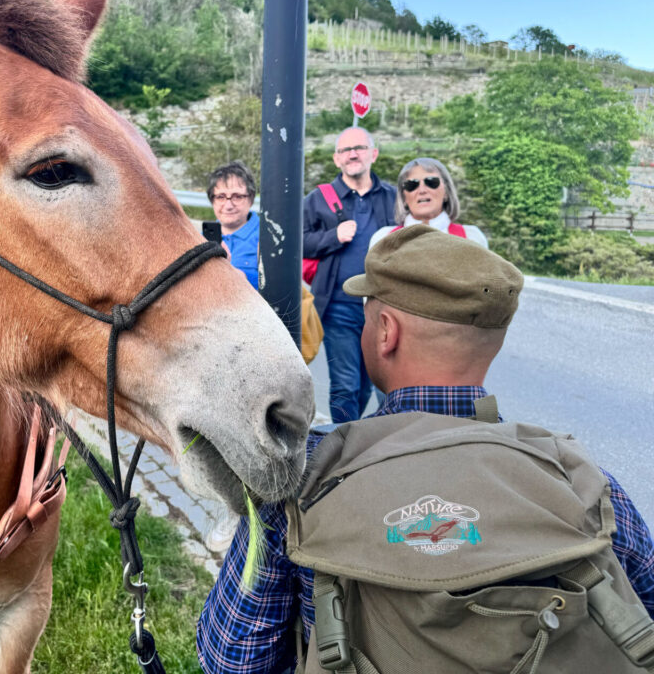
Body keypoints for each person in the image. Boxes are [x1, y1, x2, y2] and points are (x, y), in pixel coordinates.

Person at [196, 226, 654, 674]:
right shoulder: (581, 481)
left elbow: (230, 658)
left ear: (386, 333)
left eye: (369, 315)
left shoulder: (305, 478)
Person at [303, 128, 396, 423]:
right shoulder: (318, 199)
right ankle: (345, 445)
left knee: (370, 383)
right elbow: (298, 241)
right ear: (336, 159)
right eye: (345, 150)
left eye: (359, 147)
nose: (352, 154)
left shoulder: (393, 197)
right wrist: (333, 236)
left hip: (383, 306)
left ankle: (353, 434)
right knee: (346, 383)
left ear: (374, 153)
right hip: (338, 306)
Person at [370, 157, 487, 249]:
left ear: (446, 192)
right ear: (404, 197)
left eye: (431, 182)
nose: (422, 190)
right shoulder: (383, 239)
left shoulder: (472, 237)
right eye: (412, 185)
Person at [208, 162, 259, 289]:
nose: (228, 205)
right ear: (212, 200)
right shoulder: (200, 239)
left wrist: (244, 280)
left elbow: (281, 289)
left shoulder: (268, 238)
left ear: (251, 198)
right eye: (221, 197)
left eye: (237, 197)